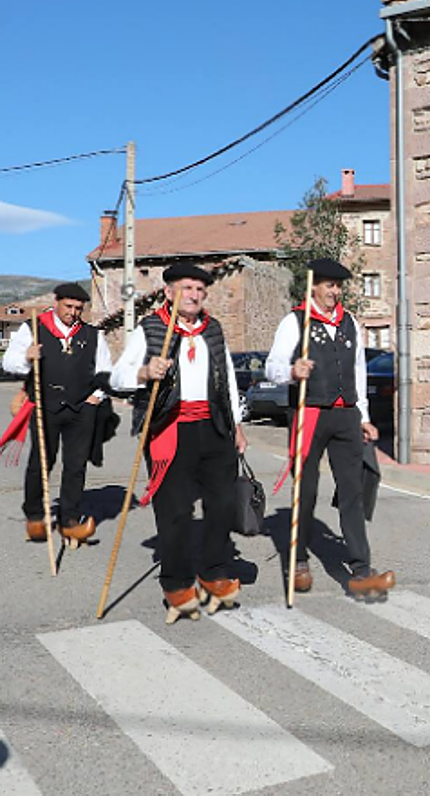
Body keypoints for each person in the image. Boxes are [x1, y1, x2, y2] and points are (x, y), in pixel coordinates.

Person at [110, 264, 247, 623]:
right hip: (170, 429)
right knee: (175, 513)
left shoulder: (212, 329)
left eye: (200, 289)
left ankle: (213, 572)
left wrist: (237, 426)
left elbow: (227, 379)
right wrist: (144, 372)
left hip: (214, 427)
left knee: (222, 505)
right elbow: (118, 376)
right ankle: (176, 582)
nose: (195, 294)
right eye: (187, 287)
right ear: (169, 292)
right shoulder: (151, 329)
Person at [266, 258, 395, 598]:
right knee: (305, 490)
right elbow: (272, 366)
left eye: (338, 286)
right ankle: (299, 559)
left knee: (353, 491)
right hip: (309, 413)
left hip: (346, 415)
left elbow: (358, 373)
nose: (334, 292)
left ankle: (361, 570)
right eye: (328, 285)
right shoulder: (295, 321)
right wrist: (293, 371)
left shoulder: (350, 322)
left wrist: (364, 417)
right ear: (314, 287)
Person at [1, 283, 111, 547]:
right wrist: (27, 357)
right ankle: (35, 515)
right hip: (44, 405)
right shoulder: (34, 328)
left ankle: (70, 521)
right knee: (42, 461)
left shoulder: (92, 335)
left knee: (76, 465)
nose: (72, 312)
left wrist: (97, 395)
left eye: (78, 308)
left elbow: (105, 369)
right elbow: (9, 362)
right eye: (68, 306)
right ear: (57, 302)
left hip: (82, 408)